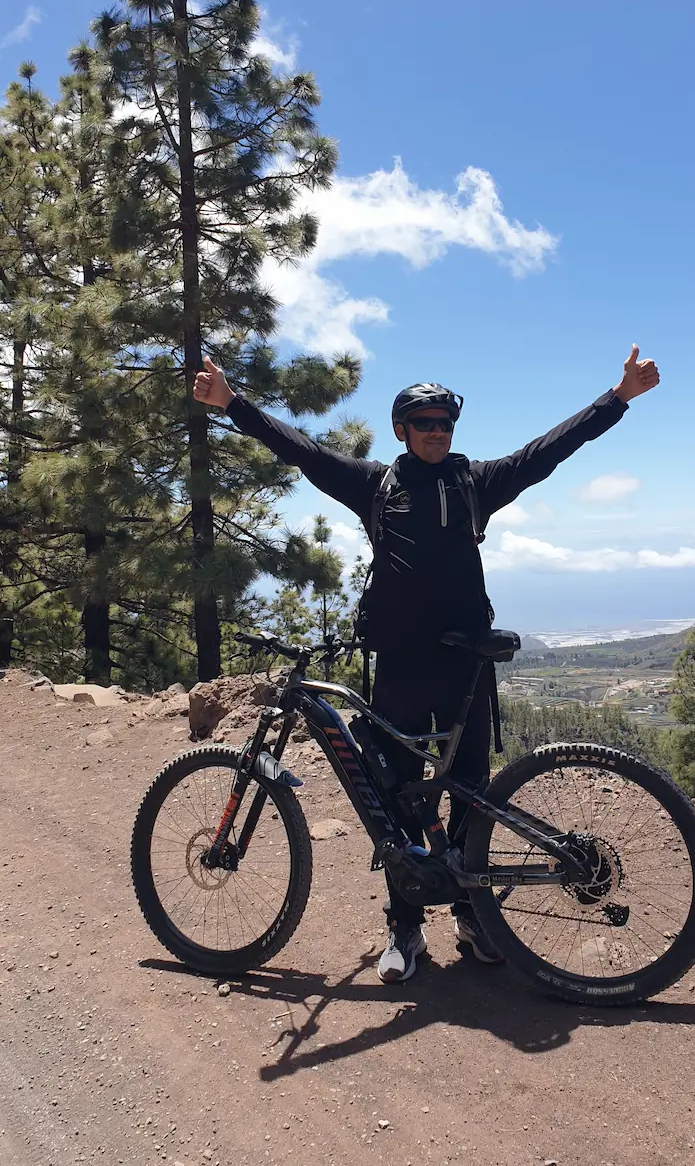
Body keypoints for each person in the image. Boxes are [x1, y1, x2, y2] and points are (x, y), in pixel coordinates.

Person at [193, 345, 660, 983]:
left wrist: (618, 398)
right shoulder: (375, 486)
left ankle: (473, 916)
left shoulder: (476, 483)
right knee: (397, 797)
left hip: (465, 666)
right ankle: (405, 926)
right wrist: (233, 404)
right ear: (402, 431)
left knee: (469, 793)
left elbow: (548, 451)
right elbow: (303, 451)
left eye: (445, 423)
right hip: (401, 665)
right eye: (425, 423)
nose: (438, 432)